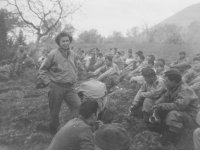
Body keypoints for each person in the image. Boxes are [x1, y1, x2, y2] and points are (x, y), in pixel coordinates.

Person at [38, 31, 81, 136]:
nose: (66, 43)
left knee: (78, 107)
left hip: (70, 87)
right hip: (56, 87)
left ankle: (75, 130)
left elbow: (75, 67)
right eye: (63, 41)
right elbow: (42, 70)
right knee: (54, 112)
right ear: (59, 42)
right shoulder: (53, 54)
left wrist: (75, 76)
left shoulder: (73, 54)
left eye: (67, 41)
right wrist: (48, 83)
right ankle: (53, 132)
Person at [152, 69, 198, 145]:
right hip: (183, 114)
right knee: (161, 109)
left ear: (173, 81)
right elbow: (164, 96)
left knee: (173, 114)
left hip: (191, 118)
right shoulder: (173, 87)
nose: (165, 83)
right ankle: (162, 130)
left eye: (167, 81)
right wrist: (157, 104)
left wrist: (161, 105)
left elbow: (178, 106)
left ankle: (172, 137)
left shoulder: (185, 90)